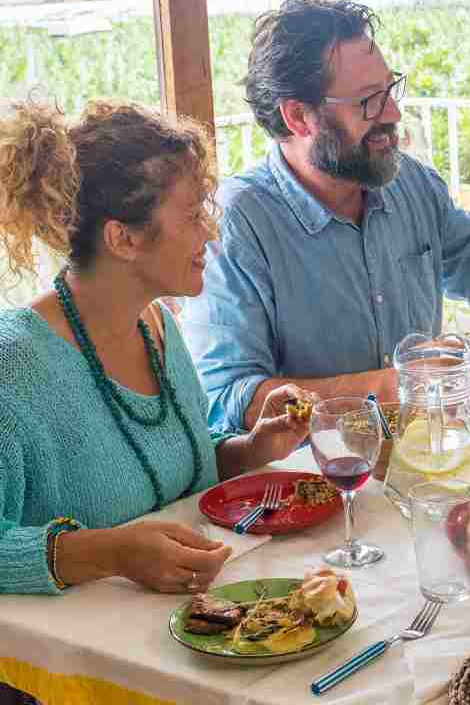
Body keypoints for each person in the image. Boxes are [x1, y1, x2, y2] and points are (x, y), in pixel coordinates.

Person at [181, 0, 470, 433]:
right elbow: (228, 400)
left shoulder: (412, 184)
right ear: (298, 116)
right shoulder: (236, 222)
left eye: (390, 89)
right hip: (310, 481)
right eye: (369, 101)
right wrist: (398, 385)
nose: (393, 113)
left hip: (422, 461)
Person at [0, 100, 312, 596]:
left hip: (188, 628)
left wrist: (251, 450)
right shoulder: (13, 368)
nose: (209, 232)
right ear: (122, 239)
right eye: (192, 216)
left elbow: (163, 465)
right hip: (68, 665)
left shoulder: (157, 324)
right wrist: (112, 553)